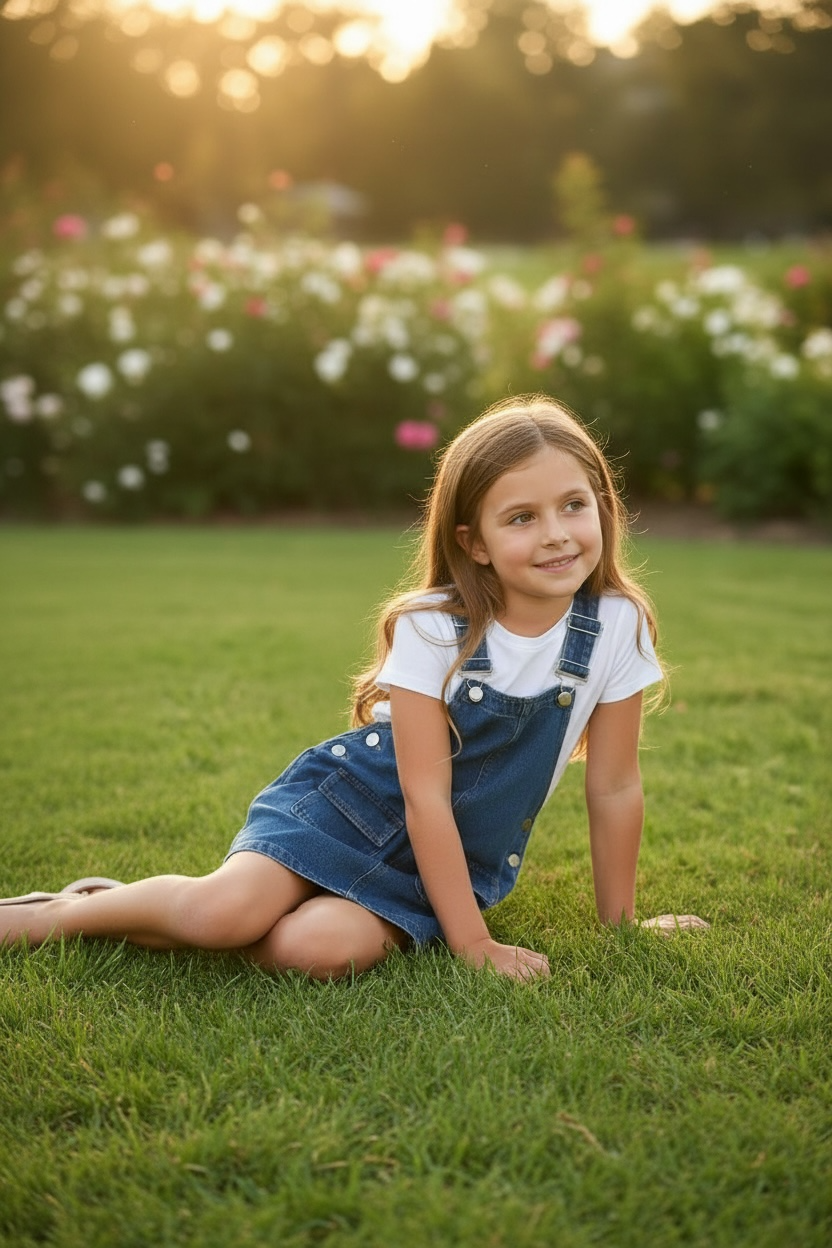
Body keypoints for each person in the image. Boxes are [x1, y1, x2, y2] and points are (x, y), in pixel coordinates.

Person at [1, 395, 708, 979]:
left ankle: (203, 923)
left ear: (603, 508)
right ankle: (66, 912)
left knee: (317, 951)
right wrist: (473, 945)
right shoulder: (435, 627)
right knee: (225, 915)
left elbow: (614, 787)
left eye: (573, 505)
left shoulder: (617, 626)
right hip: (349, 807)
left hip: (453, 863)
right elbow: (424, 796)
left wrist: (622, 927)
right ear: (475, 542)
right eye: (522, 517)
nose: (557, 534)